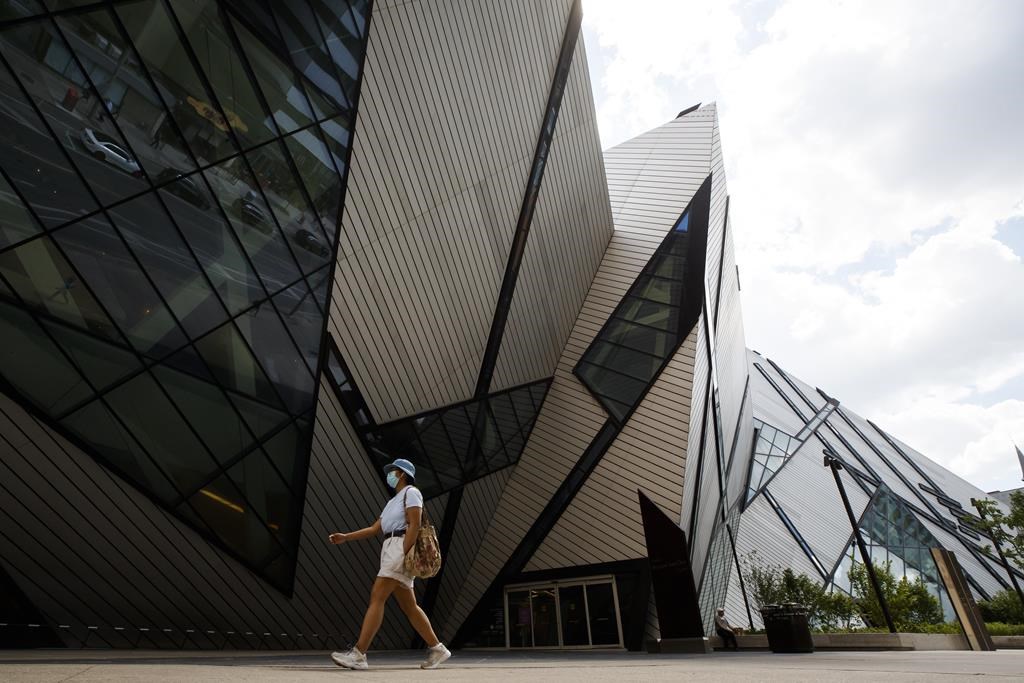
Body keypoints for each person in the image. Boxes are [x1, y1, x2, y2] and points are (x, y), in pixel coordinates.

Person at [327, 459, 451, 670]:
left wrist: (402, 553)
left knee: (378, 595)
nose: (390, 475)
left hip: (400, 547)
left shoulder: (412, 492)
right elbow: (375, 529)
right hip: (390, 547)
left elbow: (415, 524)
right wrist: (346, 537)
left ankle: (358, 654)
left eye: (393, 471)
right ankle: (438, 648)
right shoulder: (393, 501)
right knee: (409, 607)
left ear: (402, 474)